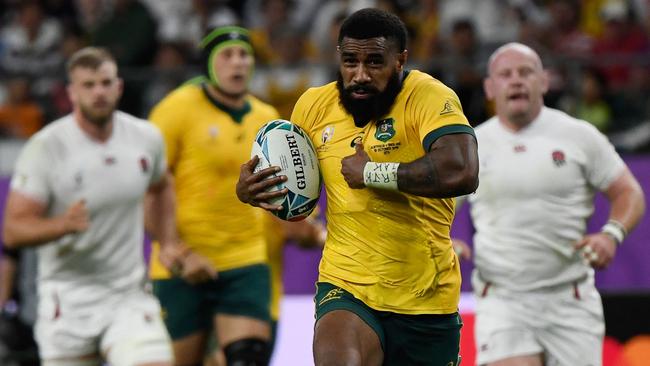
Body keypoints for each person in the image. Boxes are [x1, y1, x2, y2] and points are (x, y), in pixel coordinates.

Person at [236, 8, 479, 366]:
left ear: (400, 61)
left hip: (426, 296)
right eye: (350, 61)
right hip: (346, 284)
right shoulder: (314, 106)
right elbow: (299, 199)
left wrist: (375, 173)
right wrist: (257, 191)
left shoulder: (427, 96)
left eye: (374, 62)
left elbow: (462, 170)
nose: (360, 75)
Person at [463, 42, 646, 366]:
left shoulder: (579, 136)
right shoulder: (471, 146)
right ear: (490, 88)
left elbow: (629, 193)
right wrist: (441, 240)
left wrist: (611, 235)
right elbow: (431, 207)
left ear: (544, 81)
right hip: (503, 300)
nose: (516, 80)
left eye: (526, 72)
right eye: (505, 74)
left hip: (570, 299)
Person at [1, 47, 180, 366]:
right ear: (71, 92)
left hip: (129, 295)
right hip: (68, 300)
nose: (99, 92)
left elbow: (162, 186)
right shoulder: (47, 148)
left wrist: (167, 242)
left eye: (105, 82)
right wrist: (62, 225)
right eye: (88, 85)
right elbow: (13, 231)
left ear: (119, 87)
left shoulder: (145, 138)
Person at [146, 25, 281, 366]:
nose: (238, 63)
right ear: (208, 64)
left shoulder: (268, 119)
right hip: (182, 266)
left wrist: (306, 223)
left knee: (247, 358)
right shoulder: (175, 110)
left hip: (245, 261)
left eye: (244, 55)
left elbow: (286, 188)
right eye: (227, 56)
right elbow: (147, 189)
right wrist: (176, 252)